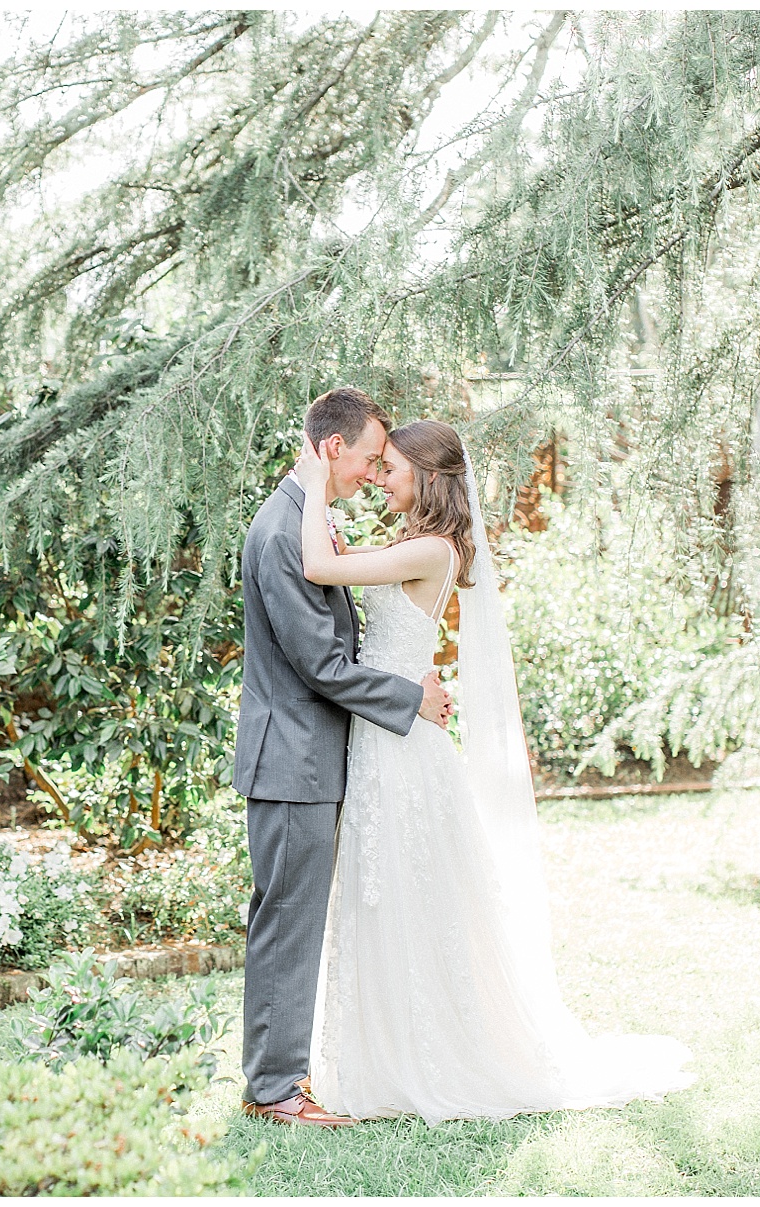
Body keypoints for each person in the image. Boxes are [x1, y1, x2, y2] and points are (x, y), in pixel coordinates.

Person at [291, 416, 696, 1122]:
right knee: (386, 887)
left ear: (427, 475)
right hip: (391, 725)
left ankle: (426, 1055)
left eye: (389, 467)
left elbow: (319, 569)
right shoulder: (416, 544)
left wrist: (312, 487)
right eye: (377, 465)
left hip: (401, 745)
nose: (380, 477)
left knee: (405, 888)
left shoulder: (429, 547)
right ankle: (385, 1050)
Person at [234, 387, 454, 1128]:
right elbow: (321, 666)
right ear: (333, 448)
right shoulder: (283, 530)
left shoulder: (304, 520)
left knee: (287, 918)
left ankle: (274, 1081)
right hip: (292, 760)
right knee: (288, 921)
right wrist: (406, 698)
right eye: (367, 458)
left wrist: (406, 672)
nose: (369, 472)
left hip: (304, 758)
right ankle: (275, 1090)